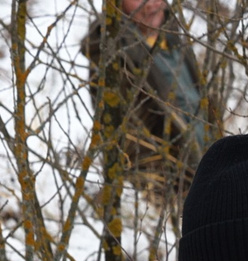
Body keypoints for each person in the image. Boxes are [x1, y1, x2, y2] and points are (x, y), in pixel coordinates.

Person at [85, 0, 214, 184]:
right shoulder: (111, 55)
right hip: (176, 186)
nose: (151, 3)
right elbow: (131, 144)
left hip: (211, 169)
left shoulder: (172, 33)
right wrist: (176, 188)